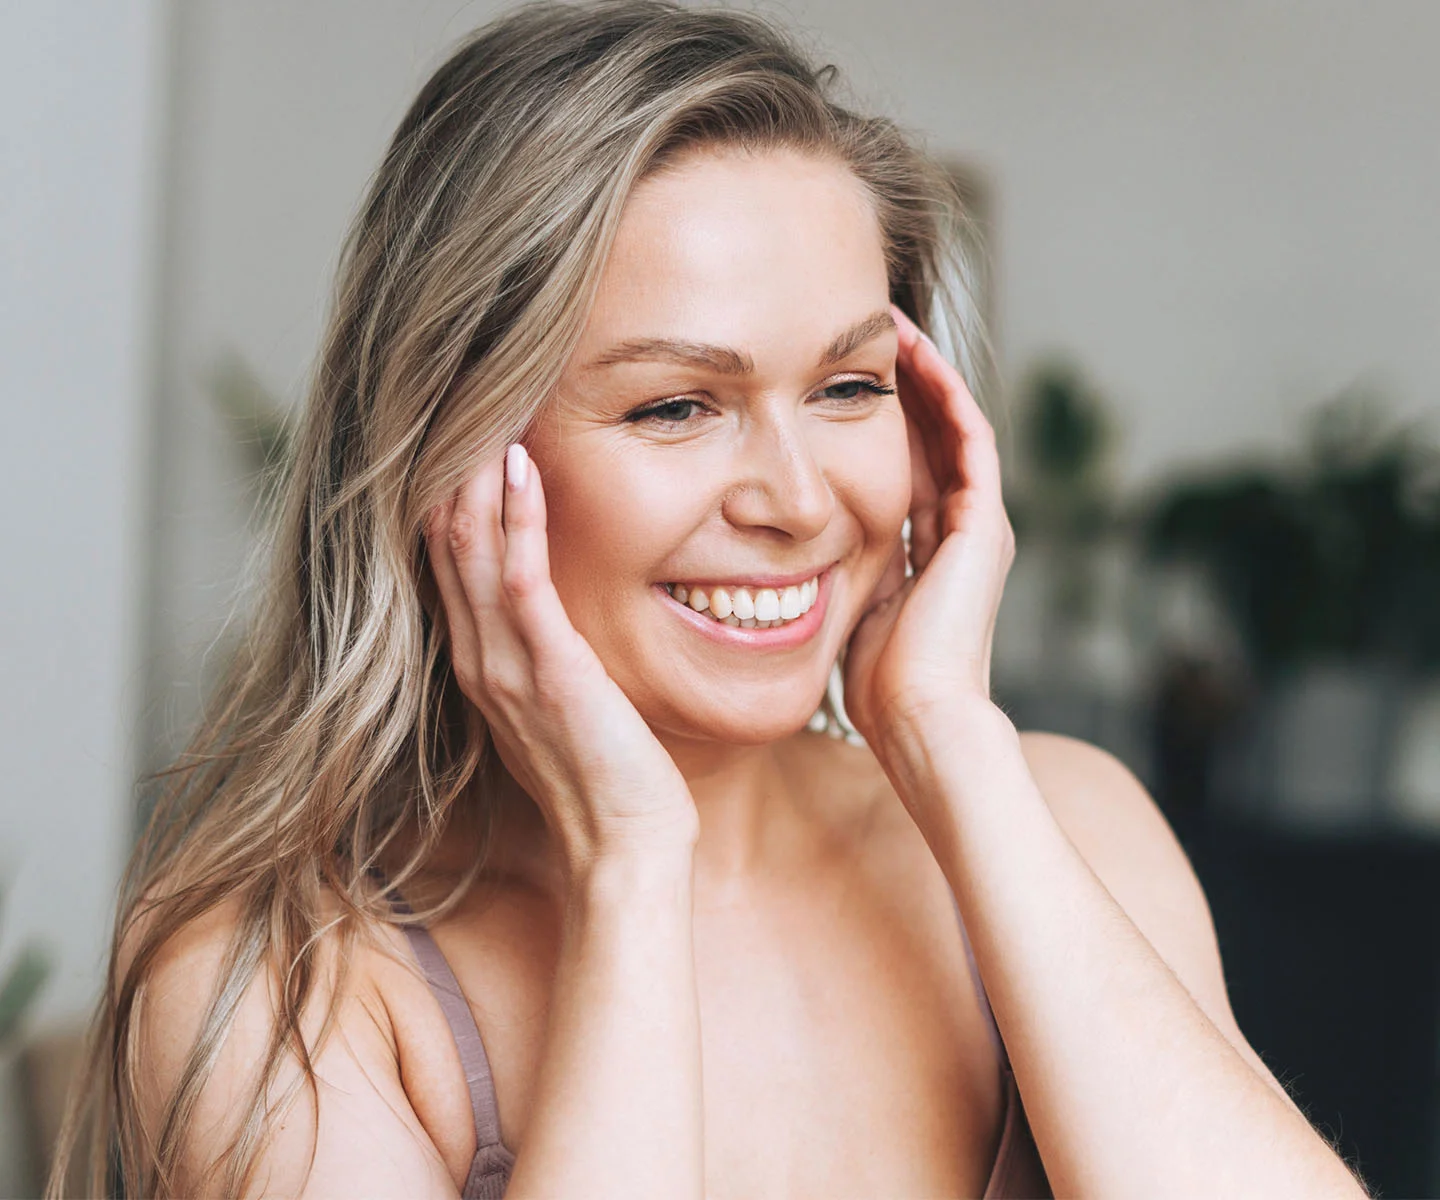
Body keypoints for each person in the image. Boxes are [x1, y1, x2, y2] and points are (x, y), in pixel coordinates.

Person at [53, 3, 1368, 1196]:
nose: (798, 500)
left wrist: (954, 750)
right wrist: (630, 865)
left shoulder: (1065, 821)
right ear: (451, 459)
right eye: (677, 406)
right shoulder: (276, 981)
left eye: (848, 388)